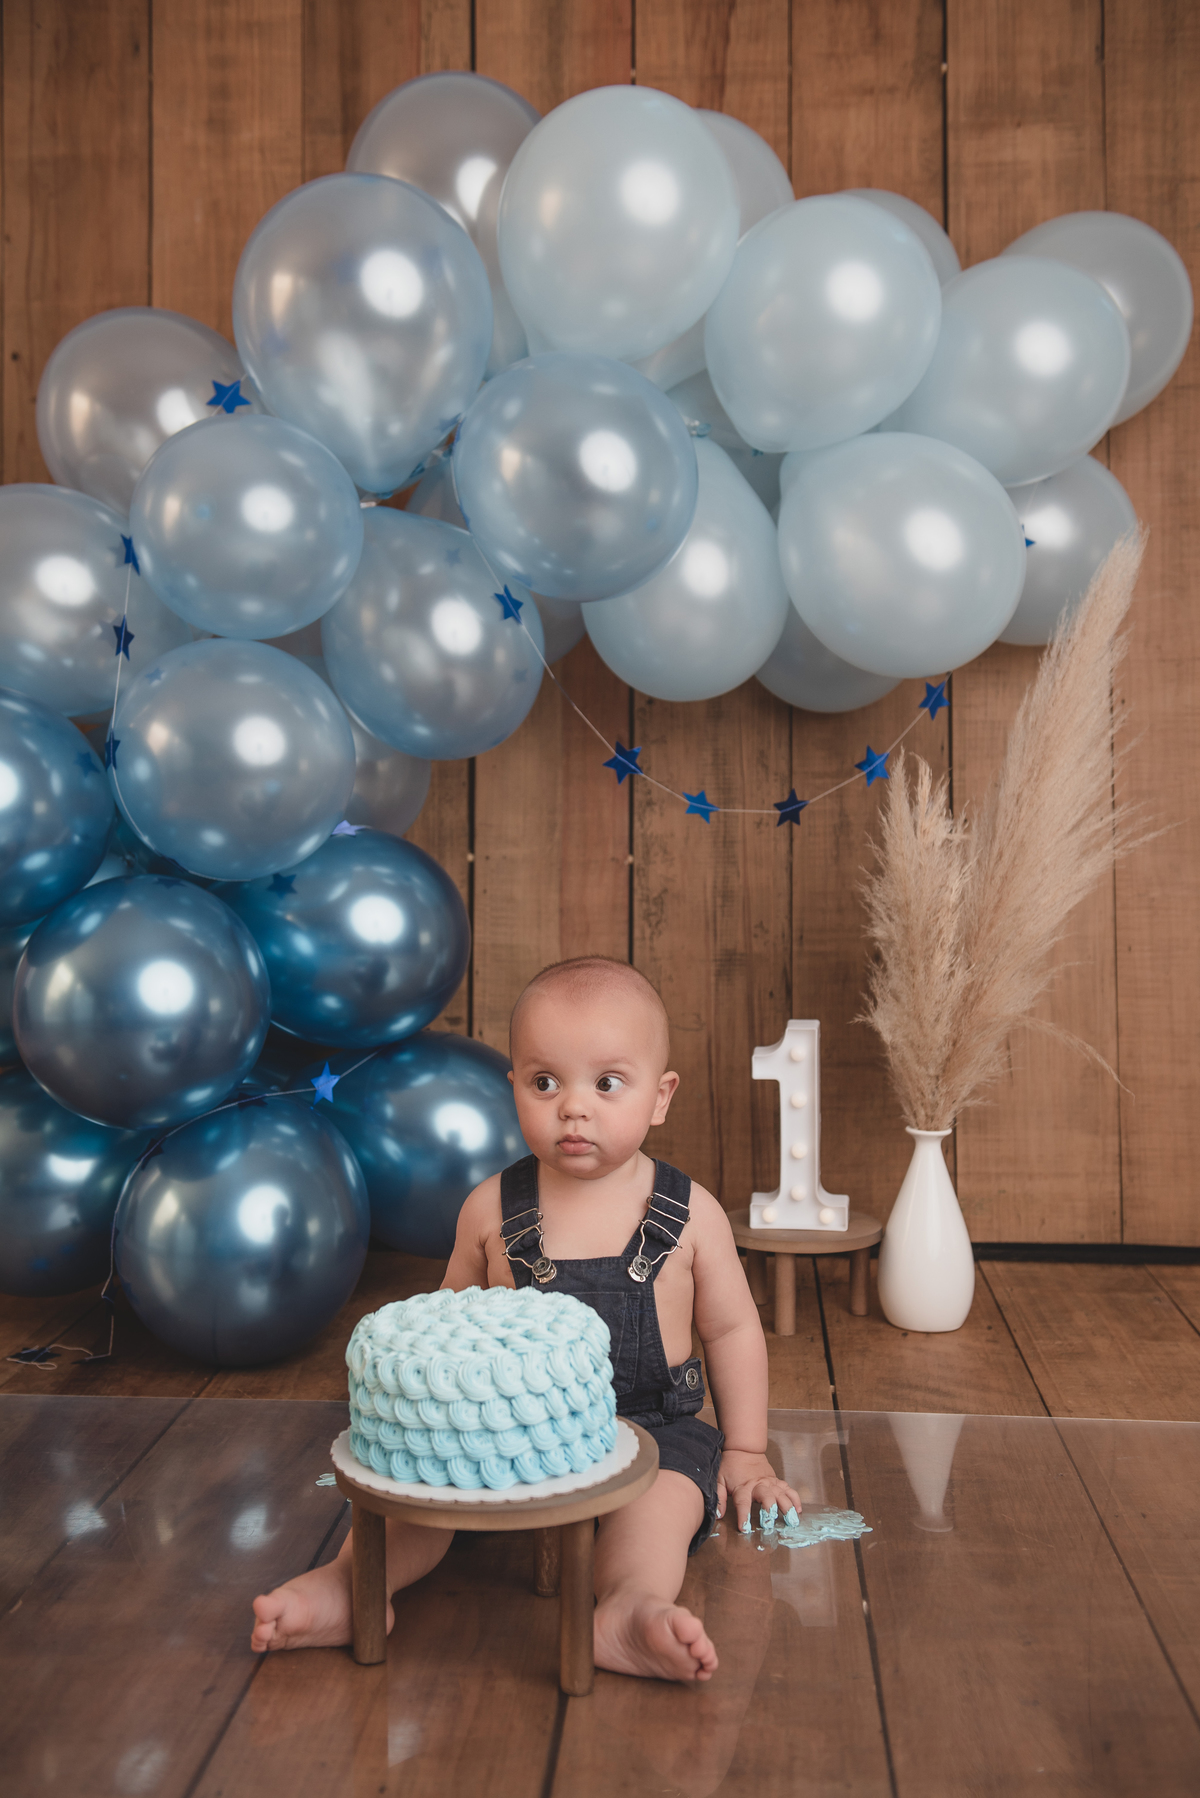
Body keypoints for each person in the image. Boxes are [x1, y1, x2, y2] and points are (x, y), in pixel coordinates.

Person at [251, 955, 800, 1682]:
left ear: (660, 1097)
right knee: (423, 1490)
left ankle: (629, 1606)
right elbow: (446, 1327)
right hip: (505, 1434)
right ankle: (352, 1585)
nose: (573, 1108)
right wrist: (436, 1427)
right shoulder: (490, 1209)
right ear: (513, 1088)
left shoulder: (691, 1213)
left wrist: (747, 1450)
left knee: (661, 1506)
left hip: (652, 1427)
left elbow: (731, 1330)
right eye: (546, 1083)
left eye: (607, 1083)